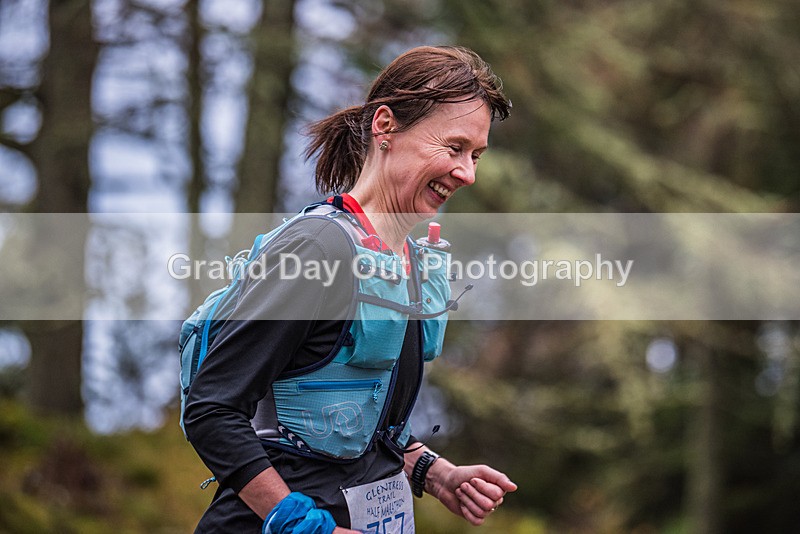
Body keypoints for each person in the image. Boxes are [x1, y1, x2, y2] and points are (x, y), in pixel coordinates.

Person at [183, 45, 517, 533]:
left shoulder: (406, 259)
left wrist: (435, 473)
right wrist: (304, 527)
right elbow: (212, 409)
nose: (468, 173)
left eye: (476, 155)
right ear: (385, 126)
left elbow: (358, 422)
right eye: (454, 148)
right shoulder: (315, 249)